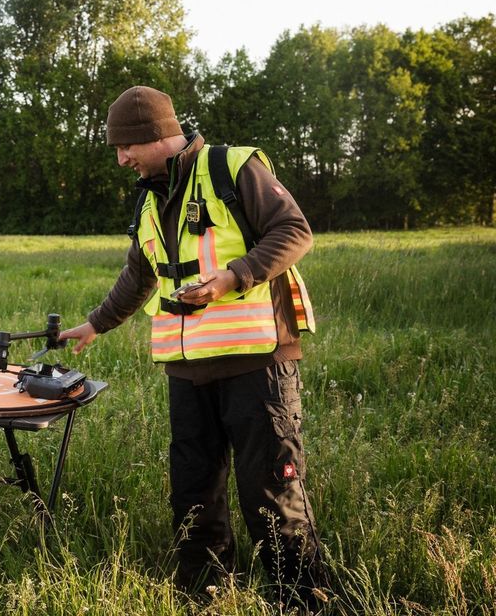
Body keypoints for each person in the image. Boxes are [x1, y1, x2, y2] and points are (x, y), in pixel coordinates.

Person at [59, 85, 326, 607]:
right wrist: (95, 324)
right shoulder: (149, 197)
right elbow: (140, 274)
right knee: (193, 496)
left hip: (257, 364)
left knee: (270, 492)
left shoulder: (232, 168)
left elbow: (294, 230)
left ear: (154, 136)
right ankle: (207, 596)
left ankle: (302, 600)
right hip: (187, 374)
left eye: (125, 147)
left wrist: (232, 277)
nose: (121, 160)